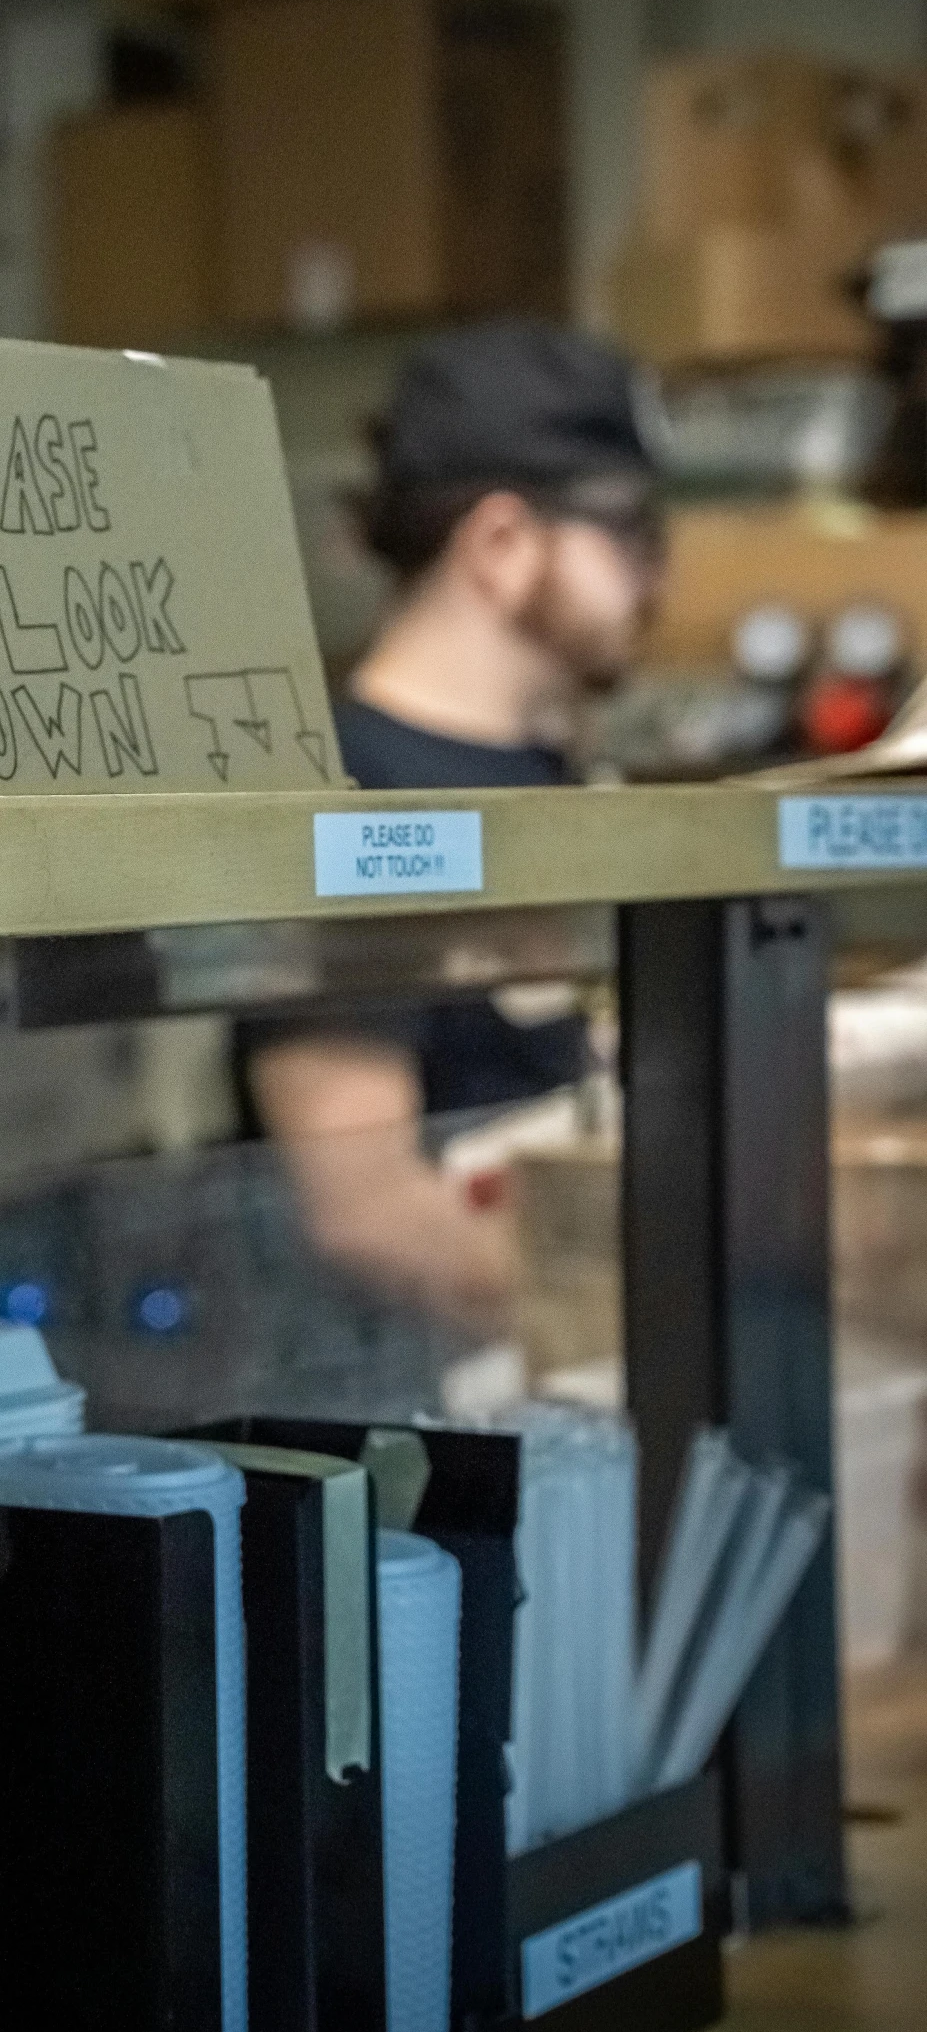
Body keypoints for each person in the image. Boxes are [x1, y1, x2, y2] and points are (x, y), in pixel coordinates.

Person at [242, 320, 665, 1334]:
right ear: (501, 543)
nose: (657, 583)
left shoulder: (546, 772)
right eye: (631, 539)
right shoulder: (352, 787)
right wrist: (655, 1323)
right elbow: (368, 1209)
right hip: (425, 1424)